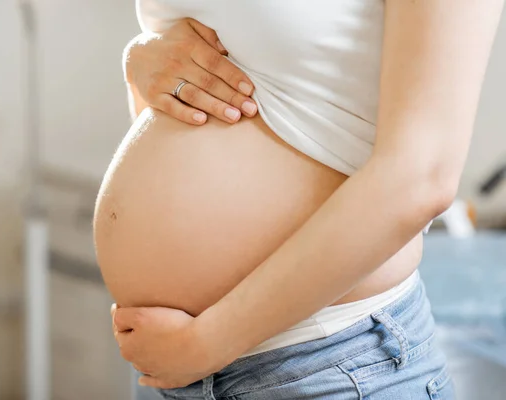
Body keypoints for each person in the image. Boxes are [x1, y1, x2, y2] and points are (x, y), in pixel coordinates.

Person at [93, 1, 504, 399]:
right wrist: (140, 63)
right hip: (186, 366)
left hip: (334, 364)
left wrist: (205, 344)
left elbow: (422, 176)